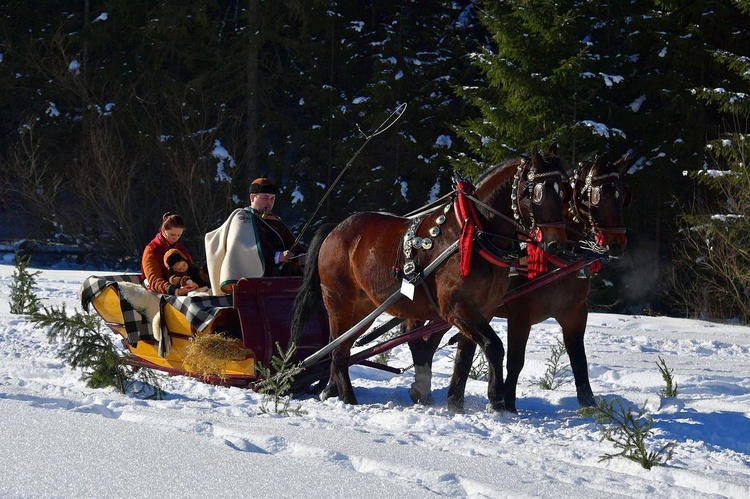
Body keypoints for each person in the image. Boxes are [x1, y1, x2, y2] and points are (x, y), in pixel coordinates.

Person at [205, 177, 304, 295]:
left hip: (282, 282)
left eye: (272, 199)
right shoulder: (243, 218)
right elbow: (244, 250)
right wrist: (278, 256)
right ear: (252, 197)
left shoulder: (275, 220)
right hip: (256, 284)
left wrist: (301, 256)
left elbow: (292, 244)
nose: (269, 202)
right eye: (265, 198)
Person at [141, 212, 210, 296]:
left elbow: (192, 268)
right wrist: (176, 290)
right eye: (172, 234)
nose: (175, 238)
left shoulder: (180, 248)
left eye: (179, 235)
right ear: (163, 230)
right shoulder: (152, 250)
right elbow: (154, 280)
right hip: (160, 292)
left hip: (185, 285)